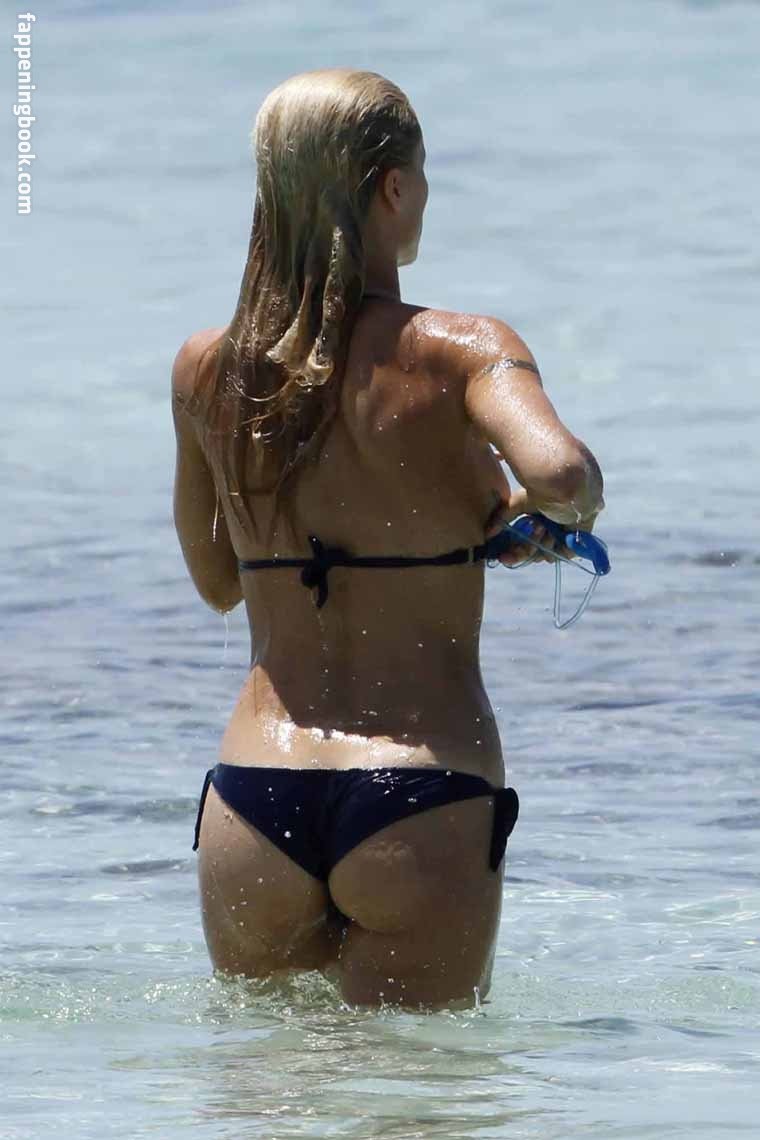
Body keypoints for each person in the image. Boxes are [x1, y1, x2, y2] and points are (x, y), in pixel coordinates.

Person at [172, 67, 604, 1010]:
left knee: (269, 1080)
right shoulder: (462, 348)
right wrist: (538, 517)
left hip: (254, 796)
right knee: (421, 1085)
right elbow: (563, 475)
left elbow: (216, 580)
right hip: (419, 789)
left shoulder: (208, 368)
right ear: (394, 188)